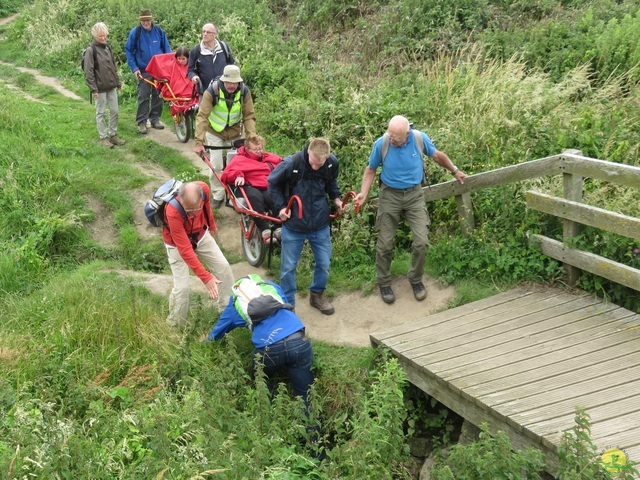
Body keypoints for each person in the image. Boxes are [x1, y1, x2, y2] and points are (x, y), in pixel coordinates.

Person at [354, 115, 467, 304]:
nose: (392, 139)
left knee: (421, 242)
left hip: (414, 195)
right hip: (390, 195)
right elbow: (370, 170)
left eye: (396, 138)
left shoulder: (418, 138)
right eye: (390, 135)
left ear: (406, 133)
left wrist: (455, 171)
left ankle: (415, 279)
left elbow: (437, 155)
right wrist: (364, 193)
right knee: (385, 244)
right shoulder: (382, 144)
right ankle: (384, 282)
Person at [208, 274, 314, 408]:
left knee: (261, 381)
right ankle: (311, 425)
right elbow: (288, 308)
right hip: (299, 340)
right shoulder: (272, 287)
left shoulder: (235, 303)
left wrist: (206, 343)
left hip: (269, 349)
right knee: (306, 394)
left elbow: (216, 333)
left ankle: (269, 414)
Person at [267, 138, 344, 315]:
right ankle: (288, 304)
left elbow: (331, 183)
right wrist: (280, 207)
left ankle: (317, 295)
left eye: (321, 163)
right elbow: (272, 183)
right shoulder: (291, 164)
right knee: (288, 267)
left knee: (324, 263)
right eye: (314, 163)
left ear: (327, 157)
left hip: (320, 223)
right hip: (294, 224)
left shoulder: (331, 163)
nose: (316, 167)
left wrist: (337, 199)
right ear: (308, 152)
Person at [162, 181, 235, 328]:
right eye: (189, 211)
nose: (194, 214)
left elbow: (207, 206)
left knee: (224, 267)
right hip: (176, 243)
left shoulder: (204, 189)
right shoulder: (172, 210)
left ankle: (227, 313)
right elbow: (185, 249)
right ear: (181, 201)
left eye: (196, 209)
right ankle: (175, 326)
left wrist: (212, 225)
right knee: (182, 288)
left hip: (200, 234)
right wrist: (206, 277)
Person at [193, 65, 256, 209]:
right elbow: (202, 116)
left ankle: (234, 196)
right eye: (229, 82)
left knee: (236, 165)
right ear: (223, 80)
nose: (232, 85)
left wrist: (251, 138)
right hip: (214, 131)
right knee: (216, 165)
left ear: (239, 82)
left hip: (235, 131)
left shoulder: (244, 92)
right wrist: (198, 141)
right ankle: (218, 195)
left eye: (235, 83)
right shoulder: (212, 92)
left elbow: (249, 116)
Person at [220, 134, 282, 244]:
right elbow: (225, 175)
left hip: (265, 184)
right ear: (247, 149)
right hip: (248, 185)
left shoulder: (268, 157)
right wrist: (238, 175)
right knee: (255, 197)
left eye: (260, 148)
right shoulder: (239, 159)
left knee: (274, 196)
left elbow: (282, 164)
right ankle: (265, 230)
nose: (259, 151)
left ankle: (278, 227)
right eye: (255, 149)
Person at [125, 8, 172, 134]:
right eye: (143, 20)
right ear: (140, 21)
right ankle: (142, 122)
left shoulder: (159, 32)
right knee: (143, 95)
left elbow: (167, 50)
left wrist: (169, 68)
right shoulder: (136, 33)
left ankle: (155, 119)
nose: (146, 22)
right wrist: (134, 69)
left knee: (158, 95)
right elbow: (129, 51)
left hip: (159, 70)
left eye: (148, 20)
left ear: (152, 19)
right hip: (143, 70)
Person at [83, 22, 125, 148]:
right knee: (100, 113)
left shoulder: (108, 48)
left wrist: (118, 83)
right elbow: (88, 71)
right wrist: (93, 89)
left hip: (111, 86)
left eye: (104, 35)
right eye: (100, 36)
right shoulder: (91, 51)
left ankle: (113, 135)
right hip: (99, 89)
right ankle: (103, 138)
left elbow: (113, 67)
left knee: (115, 111)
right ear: (95, 36)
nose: (103, 38)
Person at [187, 23, 234, 95]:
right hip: (205, 93)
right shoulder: (196, 50)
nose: (205, 34)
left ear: (215, 35)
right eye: (203, 31)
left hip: (224, 92)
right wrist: (193, 76)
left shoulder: (223, 47)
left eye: (208, 32)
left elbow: (231, 65)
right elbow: (190, 70)